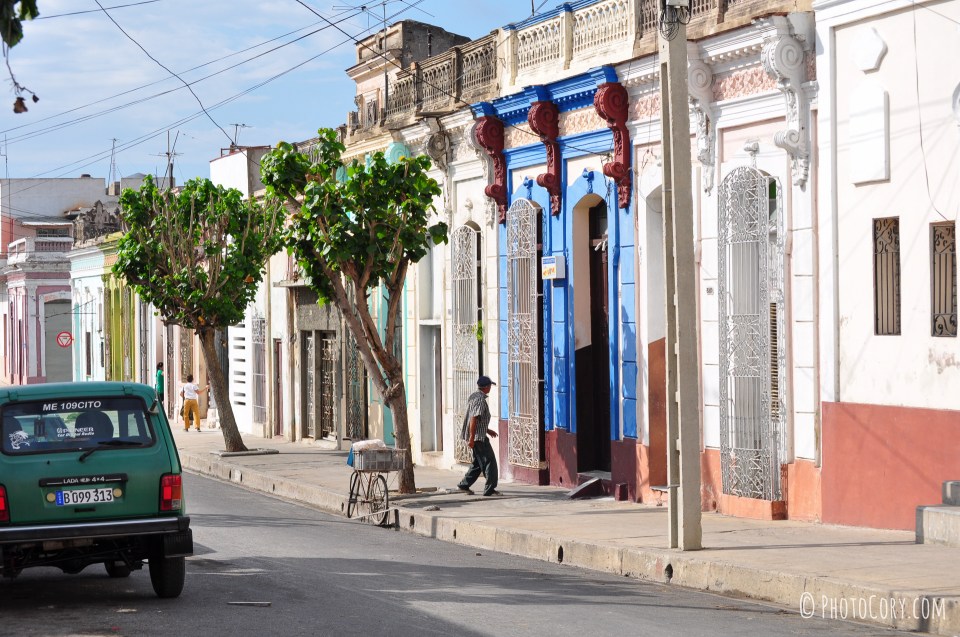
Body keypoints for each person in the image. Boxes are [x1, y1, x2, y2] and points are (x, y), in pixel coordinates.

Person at [457, 375, 501, 497]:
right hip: (477, 437)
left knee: (478, 463)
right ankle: (490, 489)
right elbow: (474, 419)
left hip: (478, 434)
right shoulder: (480, 400)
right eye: (490, 386)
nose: (490, 388)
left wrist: (487, 430)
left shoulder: (474, 396)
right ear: (486, 387)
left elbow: (478, 420)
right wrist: (472, 438)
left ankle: (464, 485)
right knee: (489, 462)